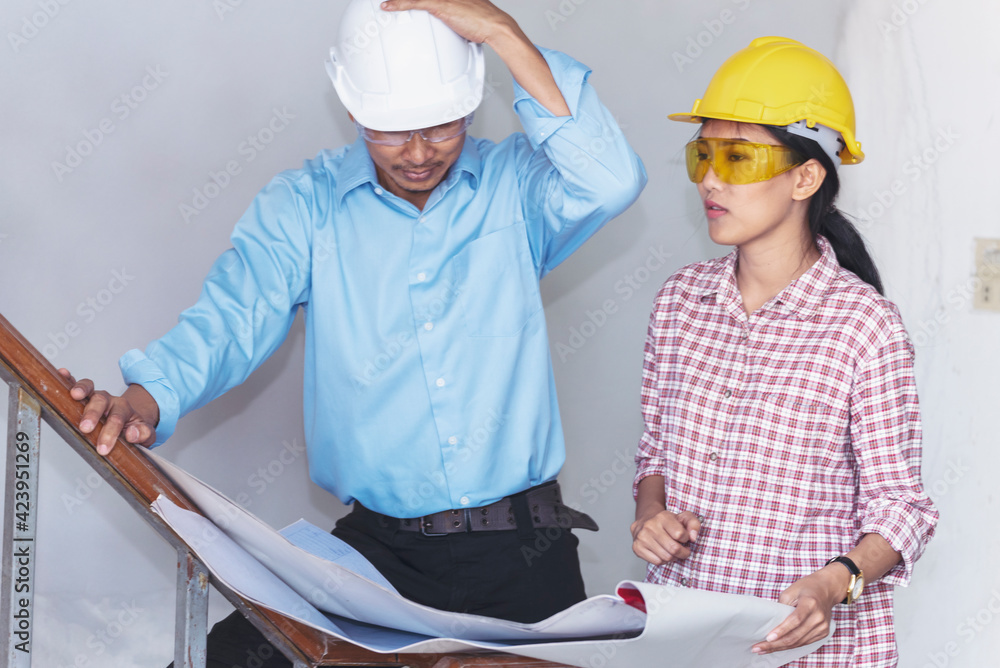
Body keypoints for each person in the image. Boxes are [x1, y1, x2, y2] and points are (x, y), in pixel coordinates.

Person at [61, 0, 646, 665]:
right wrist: (146, 398)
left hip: (523, 547)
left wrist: (503, 34)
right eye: (391, 130)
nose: (419, 153)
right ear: (351, 109)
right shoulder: (307, 205)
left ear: (472, 102)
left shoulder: (519, 188)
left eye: (442, 126)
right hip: (379, 552)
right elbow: (234, 314)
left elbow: (612, 179)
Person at [630, 37, 937, 667]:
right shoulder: (679, 303)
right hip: (686, 639)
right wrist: (651, 515)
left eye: (739, 157)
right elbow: (655, 451)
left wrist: (836, 582)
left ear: (806, 176)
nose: (711, 179)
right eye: (703, 155)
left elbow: (904, 508)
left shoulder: (864, 326)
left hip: (810, 652)